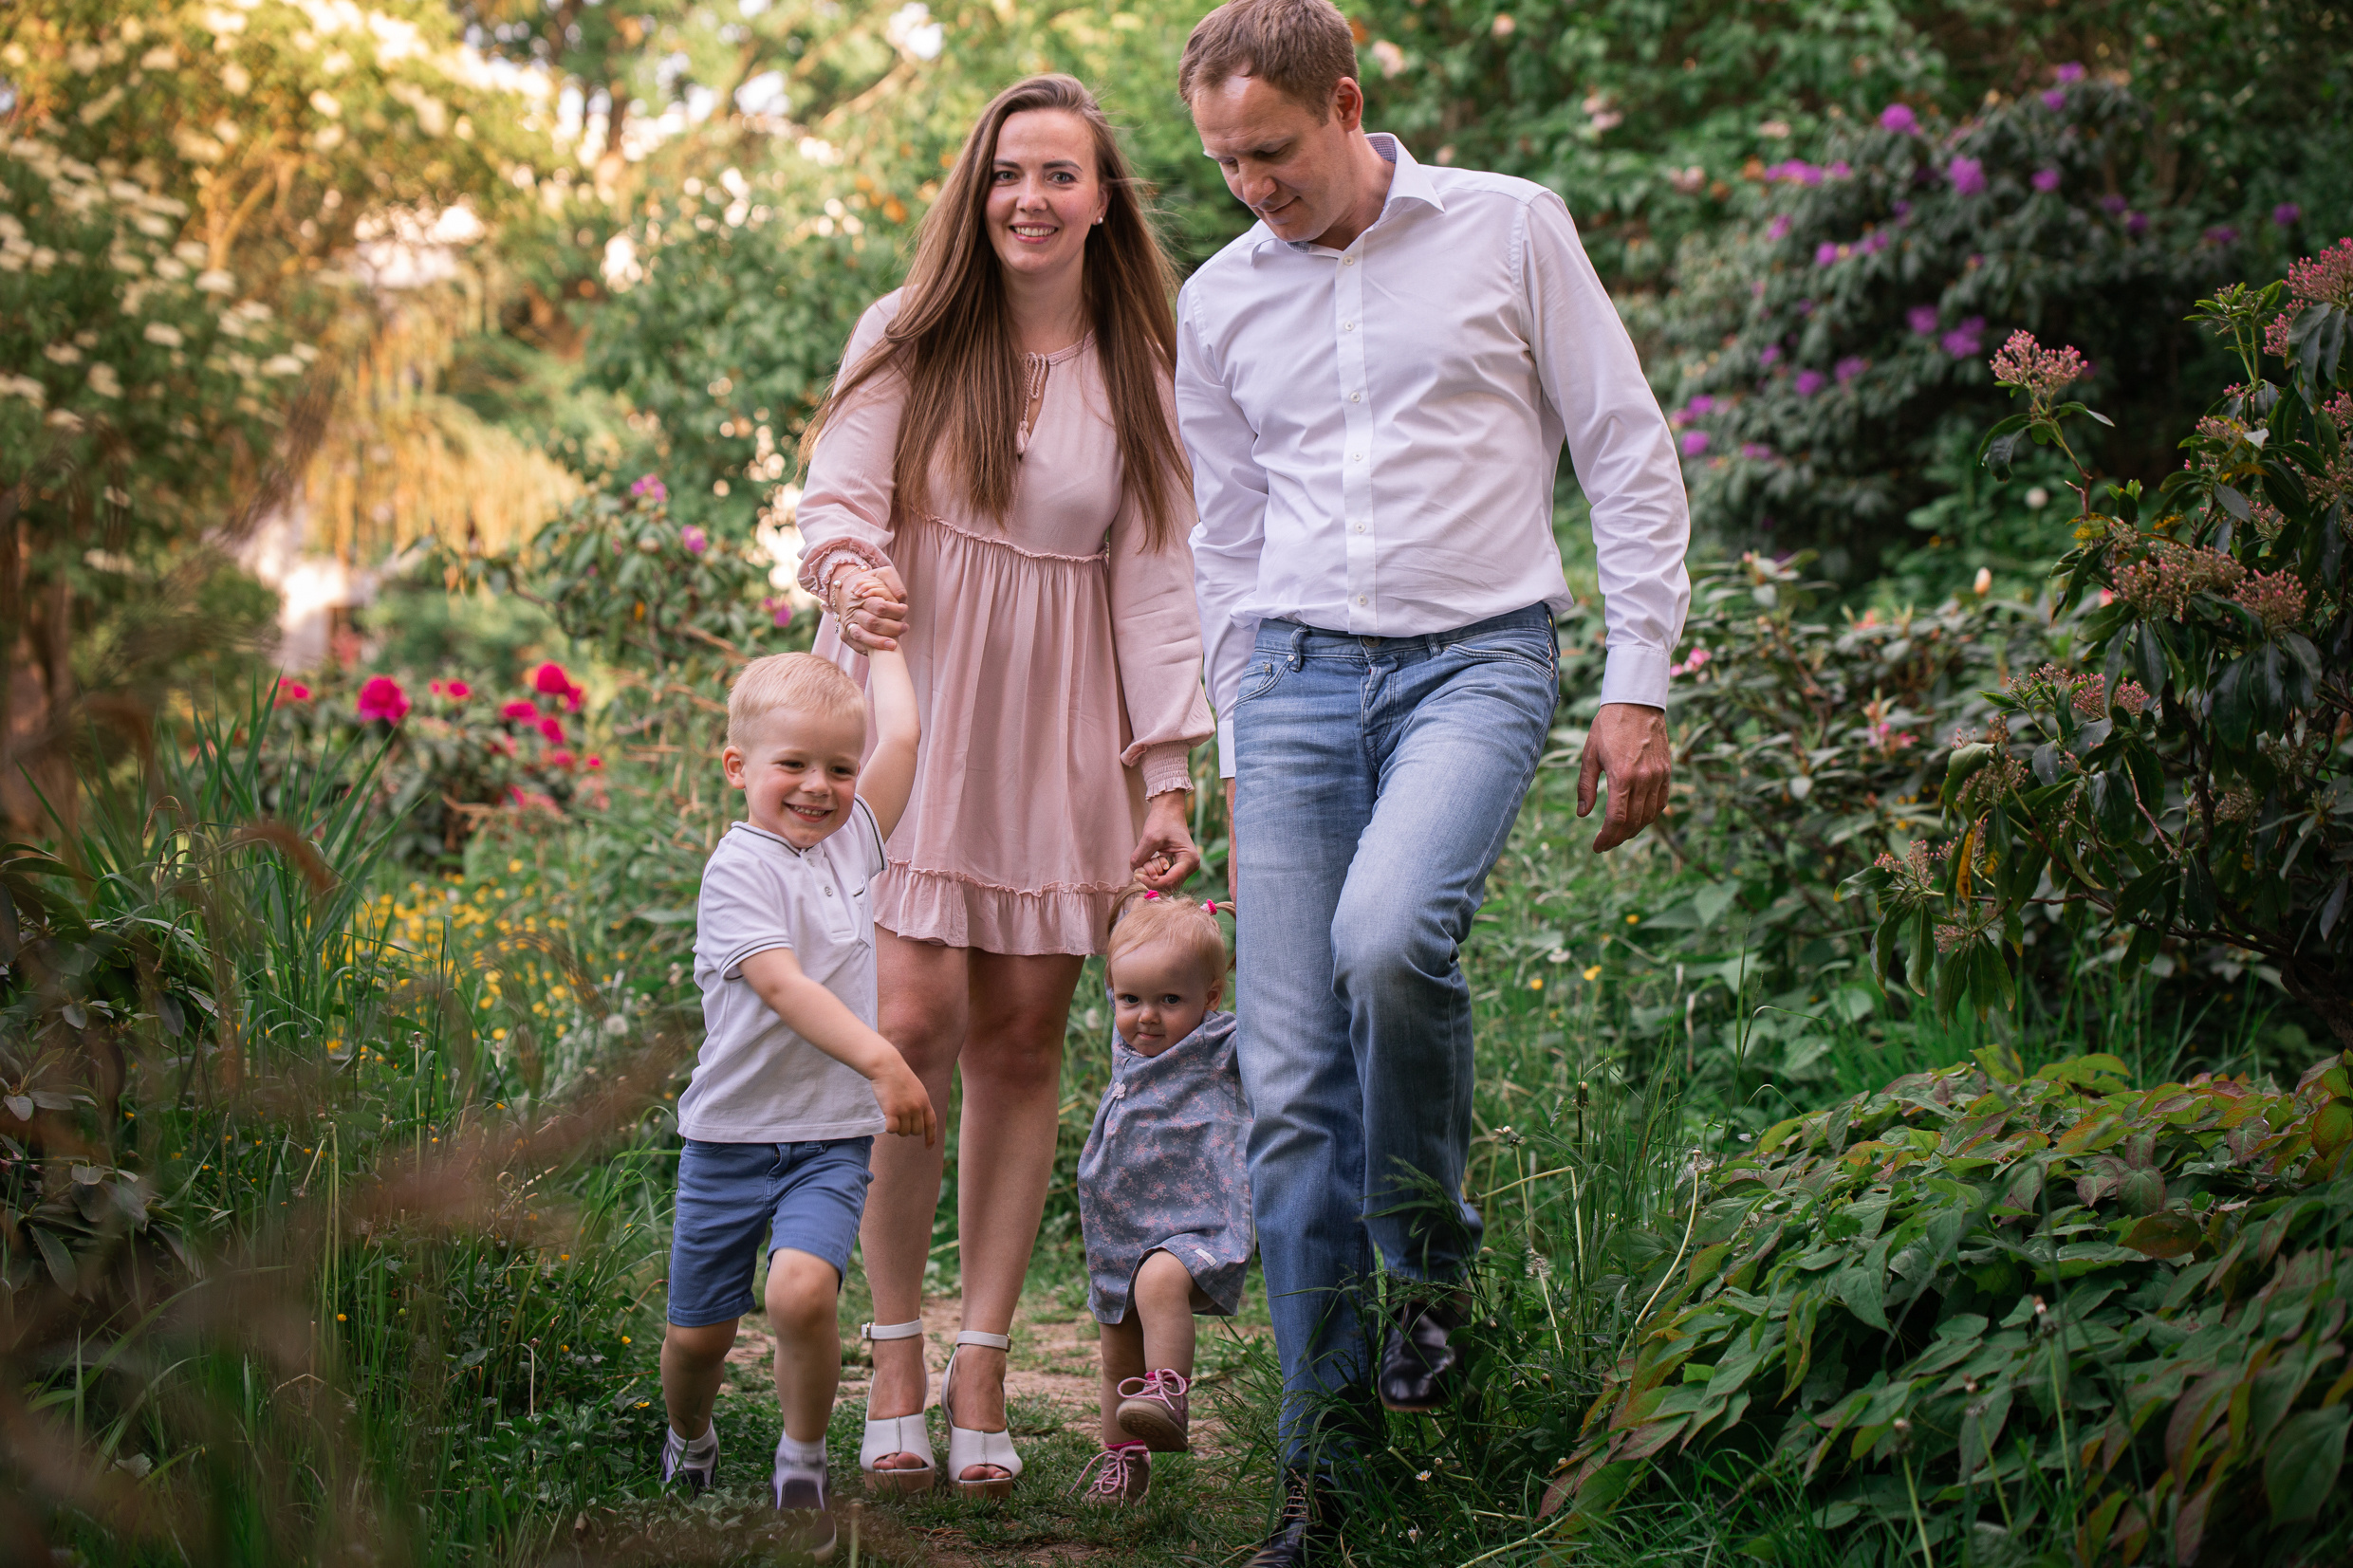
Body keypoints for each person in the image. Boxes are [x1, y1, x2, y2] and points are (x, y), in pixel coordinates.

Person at [1172, 0, 1691, 1558]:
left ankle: (1431, 1261)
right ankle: (1317, 1476)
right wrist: (1235, 712)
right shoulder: (1219, 301)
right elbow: (1226, 529)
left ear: (1346, 104)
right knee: (1286, 1078)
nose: (1252, 184)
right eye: (1222, 164)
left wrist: (1638, 684)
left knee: (1391, 944)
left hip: (1481, 659)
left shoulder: (1511, 228)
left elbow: (1625, 450)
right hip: (1296, 680)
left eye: (1271, 150)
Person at [792, 74, 1216, 1498]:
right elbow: (838, 496)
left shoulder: (1144, 365)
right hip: (918, 697)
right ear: (978, 194)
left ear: (1103, 201)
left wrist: (1165, 774)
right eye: (1006, 174)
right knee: (909, 1022)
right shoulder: (910, 335)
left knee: (1026, 1041)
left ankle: (985, 1361)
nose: (1028, 199)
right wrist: (853, 571)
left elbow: (1162, 583)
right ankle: (895, 1351)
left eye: (1059, 175)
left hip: (1062, 723)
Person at [658, 639, 937, 1559]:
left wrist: (885, 644)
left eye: (838, 768)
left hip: (826, 1140)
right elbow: (783, 987)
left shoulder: (854, 837)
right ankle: (690, 1437)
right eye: (793, 765)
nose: (819, 786)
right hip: (729, 1140)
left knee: (802, 1291)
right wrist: (884, 1061)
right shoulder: (738, 871)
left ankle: (800, 1462)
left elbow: (903, 733)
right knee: (697, 1341)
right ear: (738, 767)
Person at [1068, 887, 1251, 1506]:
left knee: (1157, 1284)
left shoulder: (1221, 1044)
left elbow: (1284, 1012)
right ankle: (1124, 1462)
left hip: (1196, 1220)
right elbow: (1121, 928)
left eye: (1170, 1000)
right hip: (1119, 1219)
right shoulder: (1131, 1043)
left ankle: (1169, 1391)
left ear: (1211, 998)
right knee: (1116, 1344)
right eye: (1130, 998)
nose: (1147, 1016)